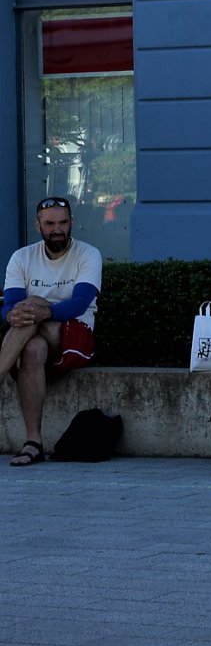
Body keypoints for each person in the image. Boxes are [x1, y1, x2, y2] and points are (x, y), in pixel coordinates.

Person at [2, 198, 103, 466]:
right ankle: (33, 442)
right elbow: (10, 305)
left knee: (32, 304)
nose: (57, 229)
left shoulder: (88, 254)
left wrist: (41, 310)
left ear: (71, 223)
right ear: (38, 225)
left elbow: (80, 303)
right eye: (50, 223)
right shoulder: (21, 257)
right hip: (36, 340)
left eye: (63, 223)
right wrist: (10, 314)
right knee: (33, 349)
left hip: (77, 338)